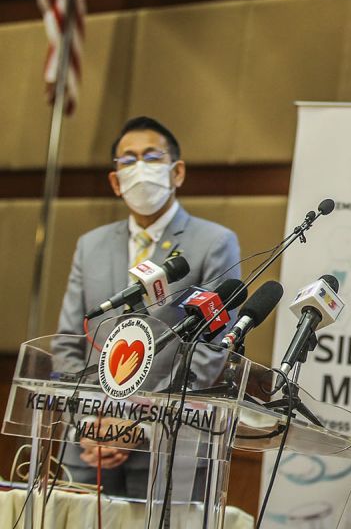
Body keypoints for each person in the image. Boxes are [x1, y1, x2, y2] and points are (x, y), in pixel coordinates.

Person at [55, 115, 241, 498]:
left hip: (165, 446)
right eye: (129, 160)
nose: (140, 168)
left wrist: (138, 426)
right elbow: (69, 341)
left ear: (177, 172)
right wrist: (89, 422)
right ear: (115, 181)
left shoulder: (214, 243)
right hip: (88, 448)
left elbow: (210, 349)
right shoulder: (90, 245)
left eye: (152, 157)